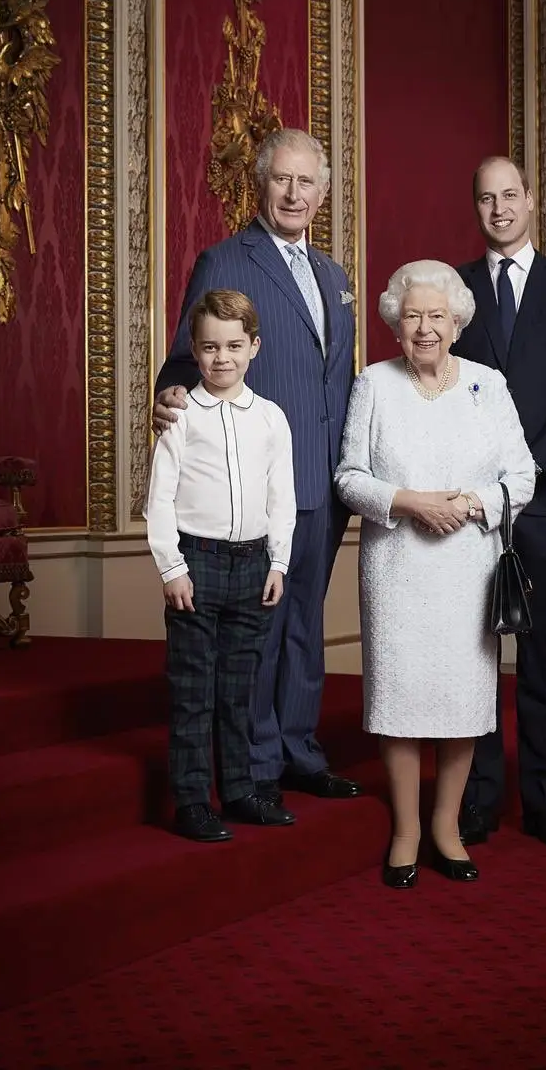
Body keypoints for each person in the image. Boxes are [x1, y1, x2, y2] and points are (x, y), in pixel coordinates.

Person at [153, 129, 361, 808]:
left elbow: (337, 380)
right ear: (261, 185)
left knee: (306, 625)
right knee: (259, 634)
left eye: (308, 183)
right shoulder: (226, 260)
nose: (295, 194)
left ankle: (299, 750)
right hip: (258, 482)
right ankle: (253, 765)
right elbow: (187, 358)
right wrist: (172, 394)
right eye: (283, 181)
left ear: (322, 193)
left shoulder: (334, 276)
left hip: (326, 483)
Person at [335, 261, 536, 888]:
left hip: (466, 567)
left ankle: (446, 828)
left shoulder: (489, 385)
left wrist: (471, 505)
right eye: (413, 316)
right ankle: (405, 831)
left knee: (460, 702)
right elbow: (348, 477)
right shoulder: (374, 383)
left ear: (457, 322)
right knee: (397, 699)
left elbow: (522, 476)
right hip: (396, 567)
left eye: (437, 316)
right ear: (396, 322)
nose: (425, 328)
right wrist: (410, 502)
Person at [453, 156, 546, 850]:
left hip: (545, 498)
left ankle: (543, 802)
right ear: (477, 207)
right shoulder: (451, 290)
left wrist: (529, 469)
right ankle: (480, 799)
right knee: (477, 655)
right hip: (474, 503)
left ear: (531, 201)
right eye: (486, 199)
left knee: (540, 655)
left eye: (509, 196)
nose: (499, 209)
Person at [144, 290, 297, 840]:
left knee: (238, 688)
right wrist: (171, 568)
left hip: (253, 565)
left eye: (234, 345)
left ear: (254, 347)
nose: (222, 358)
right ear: (195, 349)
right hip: (197, 563)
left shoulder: (271, 419)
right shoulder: (182, 415)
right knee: (192, 687)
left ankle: (238, 791)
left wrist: (278, 562)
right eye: (210, 347)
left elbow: (282, 496)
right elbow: (158, 499)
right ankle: (191, 800)